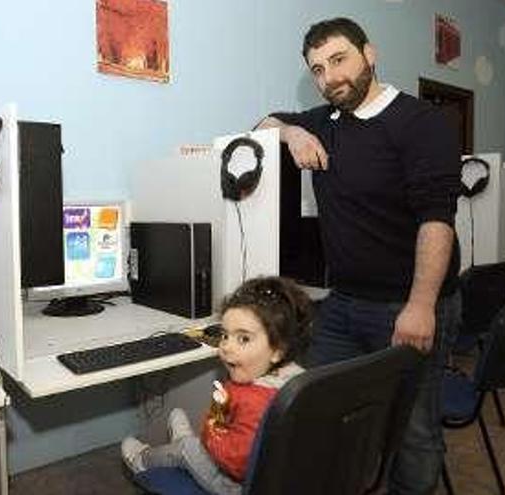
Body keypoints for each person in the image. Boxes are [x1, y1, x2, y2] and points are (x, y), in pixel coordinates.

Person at [255, 17, 461, 494]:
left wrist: (422, 305)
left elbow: (436, 220)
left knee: (414, 433)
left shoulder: (421, 122)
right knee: (314, 407)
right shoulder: (322, 122)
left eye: (339, 60)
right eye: (318, 70)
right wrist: (291, 135)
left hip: (407, 304)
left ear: (369, 54)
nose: (330, 78)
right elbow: (262, 123)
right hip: (344, 304)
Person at [120, 276, 313, 495]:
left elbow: (236, 463)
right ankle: (186, 441)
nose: (226, 347)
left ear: (278, 350)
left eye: (244, 339)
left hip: (236, 486)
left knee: (188, 449)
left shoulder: (253, 400)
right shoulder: (301, 381)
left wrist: (212, 426)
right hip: (277, 478)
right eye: (225, 335)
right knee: (196, 444)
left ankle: (142, 461)